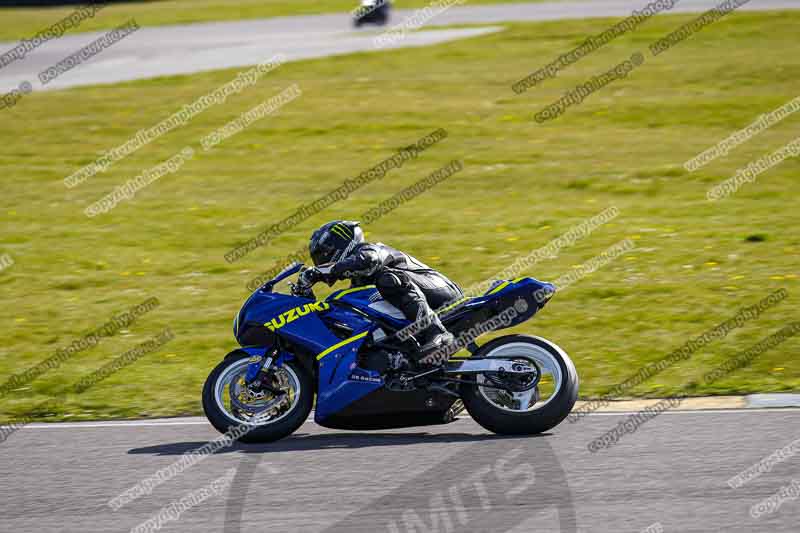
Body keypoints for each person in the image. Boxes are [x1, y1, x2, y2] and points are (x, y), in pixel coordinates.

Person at [297, 220, 462, 366]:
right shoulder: (359, 281)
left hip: (443, 292)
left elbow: (369, 260)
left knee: (388, 279)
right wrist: (304, 293)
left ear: (340, 244)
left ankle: (437, 333)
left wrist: (322, 272)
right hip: (421, 300)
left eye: (324, 253)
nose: (322, 261)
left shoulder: (371, 250)